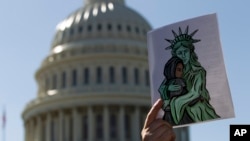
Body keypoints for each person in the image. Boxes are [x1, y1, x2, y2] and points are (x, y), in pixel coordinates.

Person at [160, 26, 220, 125]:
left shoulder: (199, 71)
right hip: (176, 109)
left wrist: (175, 103)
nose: (183, 55)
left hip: (196, 109)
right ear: (175, 55)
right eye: (179, 53)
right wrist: (167, 88)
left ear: (190, 52)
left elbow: (195, 93)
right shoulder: (175, 72)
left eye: (185, 52)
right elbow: (162, 87)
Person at [158, 56, 191, 125]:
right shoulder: (174, 82)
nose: (181, 73)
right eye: (179, 70)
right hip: (172, 114)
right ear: (172, 69)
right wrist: (167, 88)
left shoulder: (179, 81)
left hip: (176, 113)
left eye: (182, 70)